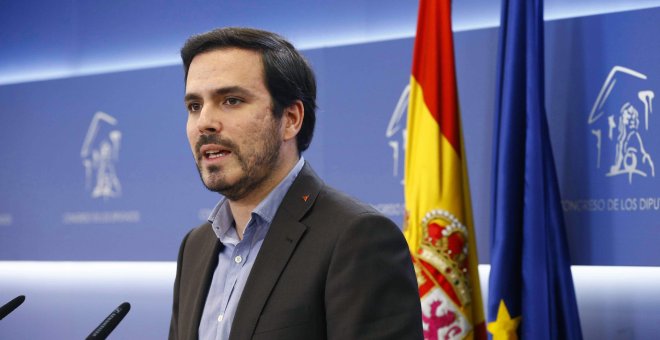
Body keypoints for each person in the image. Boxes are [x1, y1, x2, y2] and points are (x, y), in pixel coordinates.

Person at [169, 27, 422, 340]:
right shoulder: (195, 246)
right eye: (194, 106)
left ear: (290, 119)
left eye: (231, 100)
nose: (204, 122)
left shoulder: (358, 238)